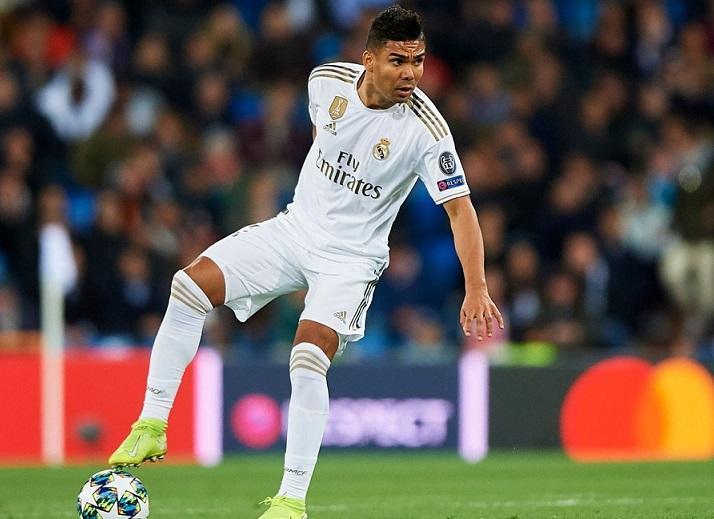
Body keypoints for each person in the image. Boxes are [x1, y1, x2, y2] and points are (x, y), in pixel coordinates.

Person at [108, 6, 504, 518]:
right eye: (398, 60)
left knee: (307, 357)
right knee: (188, 286)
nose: (411, 73)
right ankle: (152, 424)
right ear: (369, 59)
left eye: (418, 60)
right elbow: (327, 141)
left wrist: (476, 286)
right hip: (295, 229)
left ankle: (290, 501)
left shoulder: (427, 132)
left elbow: (460, 210)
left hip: (351, 260)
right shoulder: (325, 82)